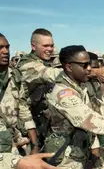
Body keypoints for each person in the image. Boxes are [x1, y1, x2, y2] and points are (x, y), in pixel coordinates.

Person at [0, 32, 59, 169]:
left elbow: (23, 109)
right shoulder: (26, 66)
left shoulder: (13, 77)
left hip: (15, 143)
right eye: (0, 47)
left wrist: (35, 144)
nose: (5, 51)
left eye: (7, 47)